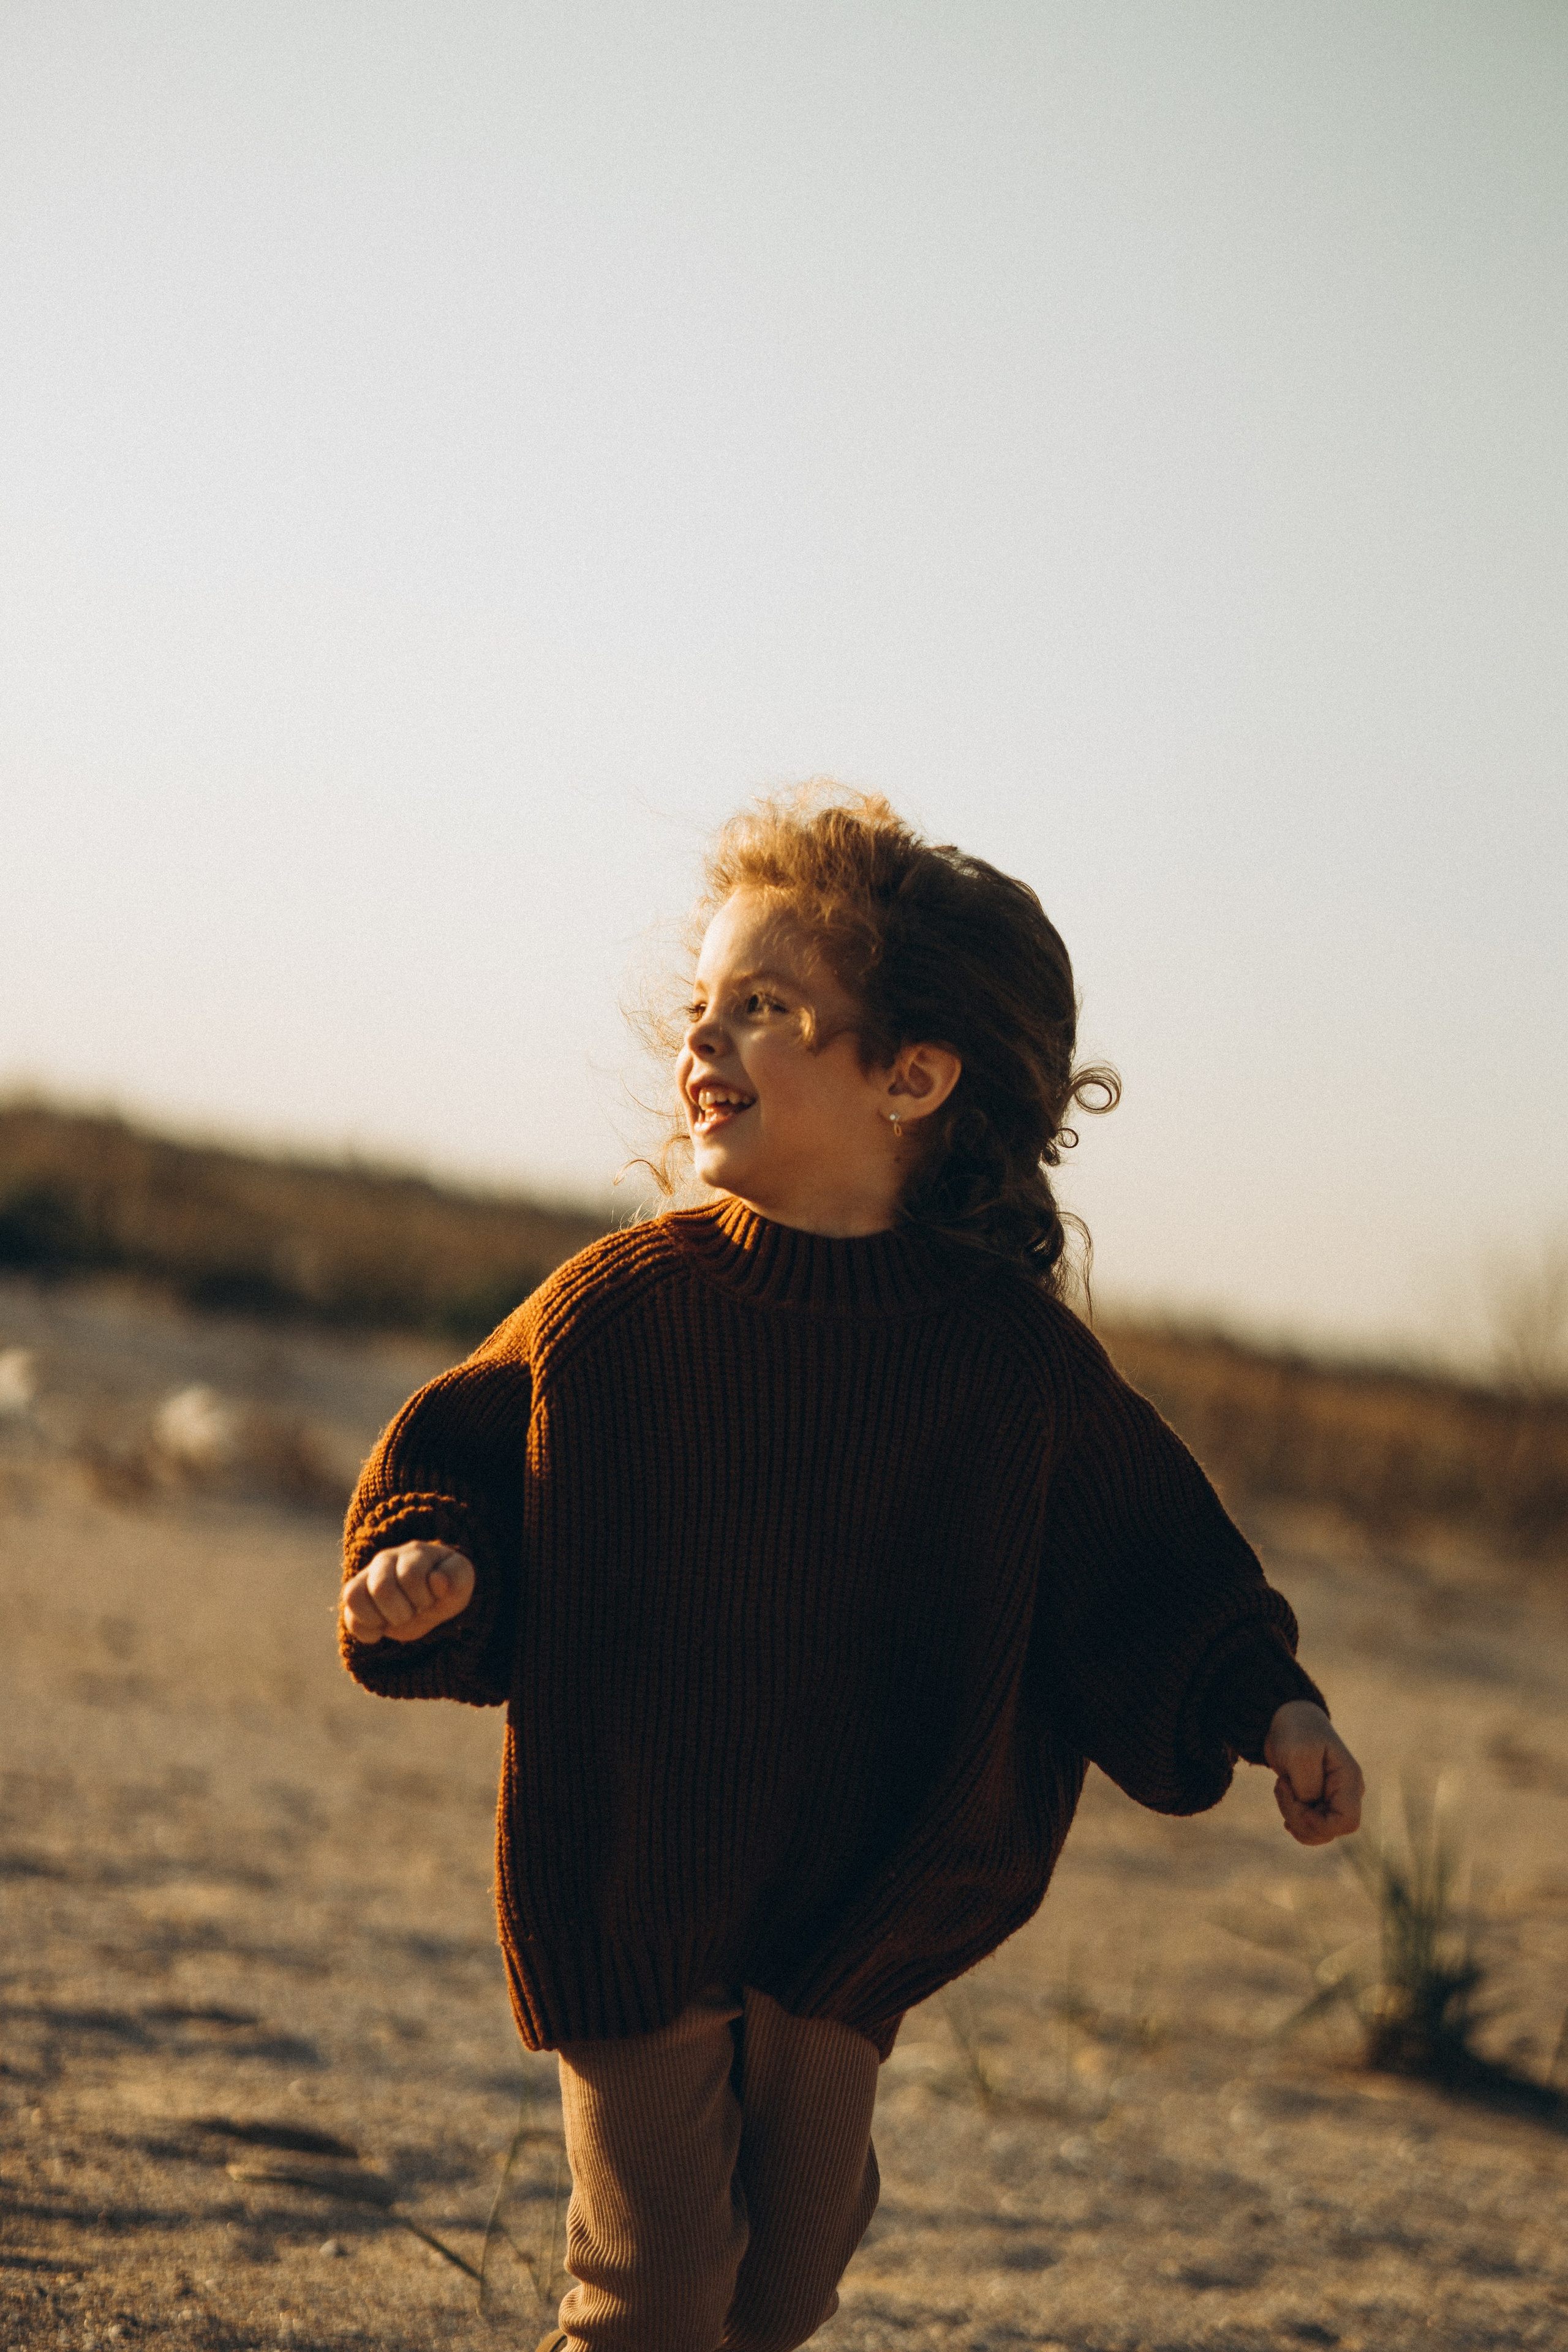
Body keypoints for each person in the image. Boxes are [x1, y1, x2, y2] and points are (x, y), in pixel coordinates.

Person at [338, 788, 1363, 2352]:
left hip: (862, 1903)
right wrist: (428, 1563)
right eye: (701, 1006)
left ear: (912, 1076)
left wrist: (1270, 1708)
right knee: (652, 2297)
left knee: (776, 2294)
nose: (703, 1042)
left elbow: (1149, 1566)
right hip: (638, 1877)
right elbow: (453, 1465)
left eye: (764, 1010)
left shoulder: (1009, 1367)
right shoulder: (618, 1311)